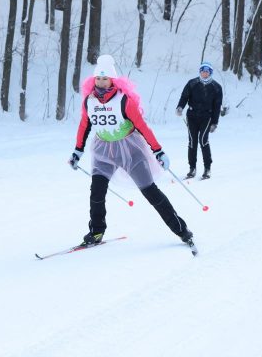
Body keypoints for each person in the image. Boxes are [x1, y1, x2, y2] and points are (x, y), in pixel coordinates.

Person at [68, 55, 195, 248]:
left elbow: (143, 127)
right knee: (97, 192)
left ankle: (181, 230)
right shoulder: (89, 101)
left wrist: (158, 151)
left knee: (150, 192)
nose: (101, 83)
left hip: (131, 151)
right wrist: (78, 151)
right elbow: (84, 125)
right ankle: (96, 231)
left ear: (113, 79)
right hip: (104, 152)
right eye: (98, 79)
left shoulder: (124, 100)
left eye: (105, 78)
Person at [176, 61, 223, 179]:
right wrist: (180, 107)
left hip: (206, 117)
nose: (204, 73)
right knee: (192, 141)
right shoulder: (192, 83)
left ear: (210, 73)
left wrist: (215, 123)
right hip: (192, 115)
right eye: (202, 71)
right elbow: (184, 96)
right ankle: (192, 168)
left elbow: (217, 107)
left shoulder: (216, 87)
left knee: (203, 140)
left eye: (207, 71)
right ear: (200, 72)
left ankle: (207, 168)